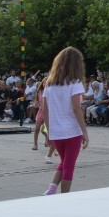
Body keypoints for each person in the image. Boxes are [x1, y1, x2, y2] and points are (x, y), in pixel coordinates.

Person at [40, 47, 89, 195]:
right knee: (69, 165)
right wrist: (85, 132)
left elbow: (45, 109)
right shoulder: (75, 83)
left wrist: (49, 131)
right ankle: (64, 196)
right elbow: (76, 108)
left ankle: (52, 188)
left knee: (64, 161)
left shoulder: (49, 84)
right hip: (72, 130)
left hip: (57, 131)